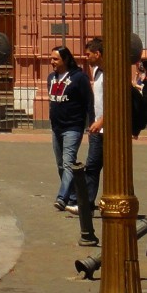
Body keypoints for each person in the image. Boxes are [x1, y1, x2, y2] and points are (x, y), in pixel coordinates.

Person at [48, 45, 92, 212]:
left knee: (68, 163)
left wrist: (90, 123)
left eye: (55, 59)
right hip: (56, 128)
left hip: (73, 127)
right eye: (51, 58)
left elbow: (88, 101)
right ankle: (73, 197)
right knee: (61, 165)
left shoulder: (79, 78)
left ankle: (62, 197)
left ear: (65, 59)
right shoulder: (51, 78)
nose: (52, 62)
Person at [83, 38, 104, 205]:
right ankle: (86, 202)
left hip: (106, 128)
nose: (86, 57)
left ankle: (86, 203)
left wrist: (101, 122)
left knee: (94, 166)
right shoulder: (96, 71)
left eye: (89, 54)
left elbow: (117, 102)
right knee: (92, 166)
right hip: (97, 128)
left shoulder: (111, 73)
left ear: (97, 54)